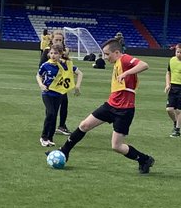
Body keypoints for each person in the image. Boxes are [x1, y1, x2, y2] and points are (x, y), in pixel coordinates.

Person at [56, 38, 155, 174]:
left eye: (107, 54)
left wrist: (126, 73)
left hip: (124, 110)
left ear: (117, 52)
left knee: (116, 146)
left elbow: (144, 65)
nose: (105, 57)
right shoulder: (118, 62)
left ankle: (144, 159)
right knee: (84, 125)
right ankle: (64, 151)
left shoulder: (125, 59)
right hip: (110, 105)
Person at [47, 34, 82, 135]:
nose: (58, 42)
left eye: (60, 40)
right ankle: (49, 129)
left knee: (64, 105)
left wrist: (77, 85)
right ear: (52, 40)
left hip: (61, 87)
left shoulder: (65, 60)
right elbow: (42, 67)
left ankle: (61, 126)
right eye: (56, 40)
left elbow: (77, 71)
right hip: (51, 87)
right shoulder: (47, 53)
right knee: (51, 109)